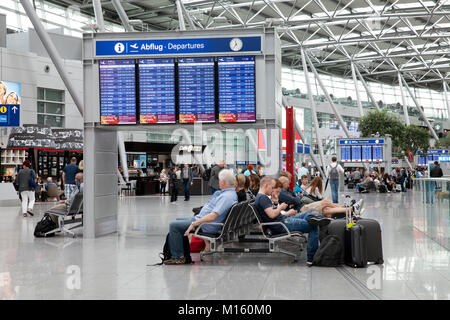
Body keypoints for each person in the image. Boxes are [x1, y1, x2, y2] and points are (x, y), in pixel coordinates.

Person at [164, 169, 238, 265]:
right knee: (178, 221)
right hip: (204, 222)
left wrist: (194, 223)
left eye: (219, 180)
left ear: (223, 182)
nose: (218, 182)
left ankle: (178, 257)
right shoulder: (230, 194)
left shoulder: (226, 197)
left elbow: (212, 216)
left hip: (206, 225)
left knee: (174, 225)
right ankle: (182, 254)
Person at [254, 176, 332, 265]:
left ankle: (319, 218)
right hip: (282, 224)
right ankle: (312, 257)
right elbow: (272, 215)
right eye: (271, 187)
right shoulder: (263, 198)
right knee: (313, 225)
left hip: (283, 221)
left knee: (309, 213)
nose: (272, 190)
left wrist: (276, 202)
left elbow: (270, 213)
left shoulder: (260, 197)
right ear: (266, 185)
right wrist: (280, 207)